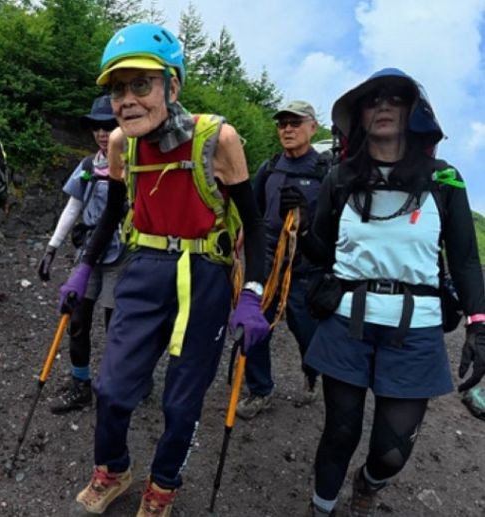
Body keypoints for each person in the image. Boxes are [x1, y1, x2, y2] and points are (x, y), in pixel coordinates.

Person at [59, 23, 270, 516]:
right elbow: (113, 213)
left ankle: (164, 486)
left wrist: (252, 294)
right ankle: (112, 469)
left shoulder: (219, 139)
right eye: (117, 88)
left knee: (181, 402)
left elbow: (255, 226)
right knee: (111, 388)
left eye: (140, 85)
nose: (126, 100)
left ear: (172, 86)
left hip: (205, 275)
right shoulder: (120, 145)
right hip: (145, 266)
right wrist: (83, 269)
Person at [289, 68, 485, 516]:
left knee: (392, 450)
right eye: (372, 99)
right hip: (346, 321)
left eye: (395, 98)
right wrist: (300, 224)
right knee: (339, 431)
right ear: (359, 115)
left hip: (416, 328)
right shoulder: (340, 179)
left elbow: (466, 259)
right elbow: (320, 248)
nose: (382, 105)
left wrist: (479, 323)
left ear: (415, 112)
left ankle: (370, 481)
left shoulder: (445, 180)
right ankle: (321, 509)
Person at [236, 100, 327, 420]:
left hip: (305, 270)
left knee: (308, 335)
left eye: (295, 123)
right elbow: (254, 212)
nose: (287, 129)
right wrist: (241, 238)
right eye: (282, 123)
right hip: (266, 266)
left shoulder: (325, 172)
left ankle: (311, 373)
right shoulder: (270, 167)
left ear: (313, 127)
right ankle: (260, 390)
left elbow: (332, 225)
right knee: (255, 328)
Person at [37, 95, 124, 414]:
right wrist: (52, 247)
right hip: (88, 252)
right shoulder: (88, 166)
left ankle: (120, 384)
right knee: (77, 319)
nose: (103, 134)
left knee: (116, 324)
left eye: (109, 126)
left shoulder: (133, 164)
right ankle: (81, 384)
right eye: (97, 127)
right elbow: (73, 207)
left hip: (122, 254)